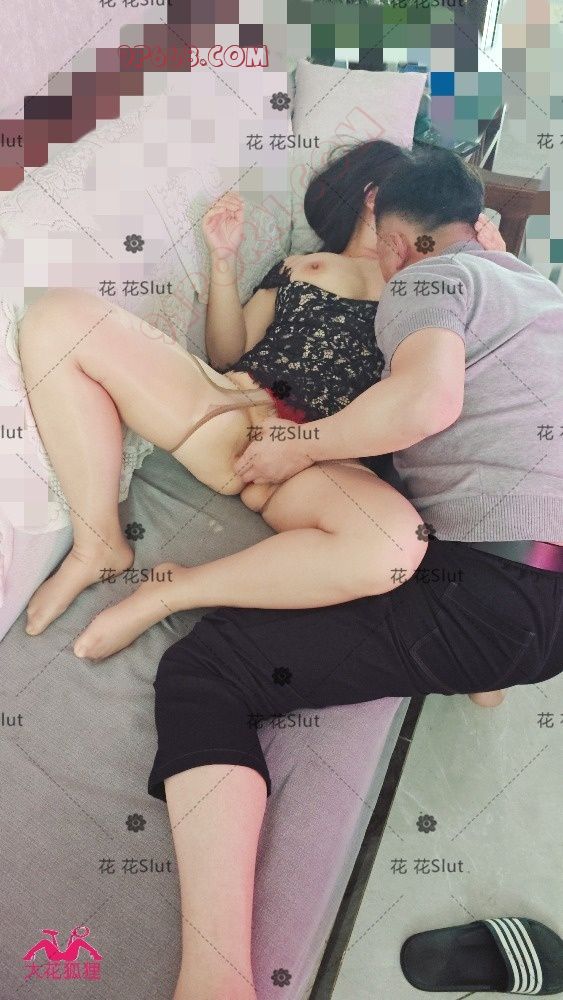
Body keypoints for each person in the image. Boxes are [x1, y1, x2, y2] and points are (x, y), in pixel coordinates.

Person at [146, 147, 563, 1000]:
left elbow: (423, 404)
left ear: (397, 240)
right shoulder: (534, 289)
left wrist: (294, 444)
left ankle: (215, 982)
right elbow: (233, 351)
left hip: (495, 598)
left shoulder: (426, 278)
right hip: (526, 588)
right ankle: (488, 669)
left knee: (204, 671)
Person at [18, 139, 501, 663]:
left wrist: (492, 265)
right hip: (228, 406)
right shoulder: (301, 264)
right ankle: (98, 544)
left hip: (318, 459)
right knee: (57, 317)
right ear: (373, 196)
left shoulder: (438, 285)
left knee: (396, 542)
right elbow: (228, 351)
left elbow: (456, 380)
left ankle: (173, 591)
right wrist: (222, 263)